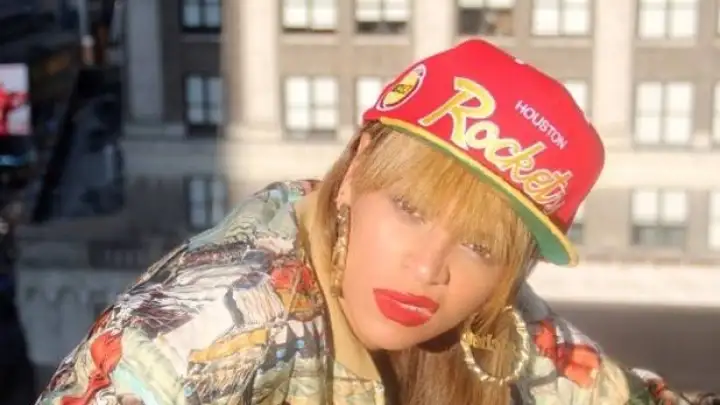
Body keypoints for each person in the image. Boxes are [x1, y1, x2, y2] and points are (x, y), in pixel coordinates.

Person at [36, 39, 698, 405]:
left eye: (479, 244)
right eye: (410, 208)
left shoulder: (495, 322)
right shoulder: (207, 325)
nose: (428, 268)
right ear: (353, 173)